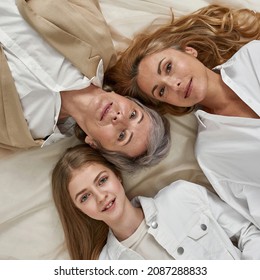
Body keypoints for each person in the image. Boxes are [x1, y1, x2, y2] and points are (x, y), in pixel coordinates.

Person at [105, 4, 260, 227]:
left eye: (168, 67)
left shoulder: (254, 57)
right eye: (161, 91)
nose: (174, 84)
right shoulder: (211, 152)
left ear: (189, 51)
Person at [0, 0, 171, 172]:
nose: (120, 118)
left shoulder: (20, 134)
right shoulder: (98, 44)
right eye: (133, 114)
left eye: (122, 136)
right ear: (127, 99)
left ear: (94, 145)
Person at [52, 144, 260, 260]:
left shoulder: (182, 196)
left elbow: (248, 233)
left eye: (102, 180)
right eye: (85, 197)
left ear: (117, 176)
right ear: (78, 209)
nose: (100, 196)